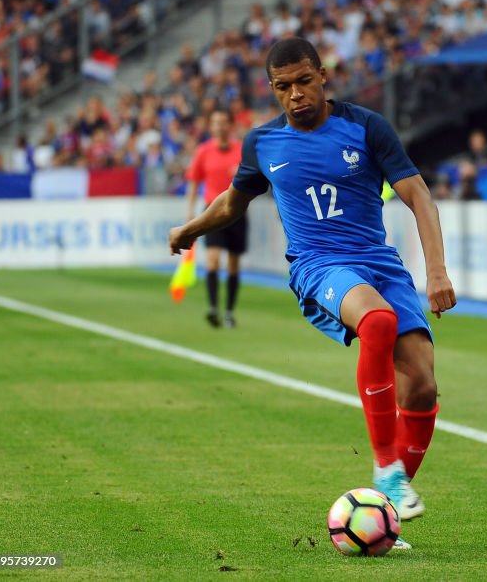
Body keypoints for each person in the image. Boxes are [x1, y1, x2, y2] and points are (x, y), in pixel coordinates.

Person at [169, 38, 456, 549]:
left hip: (379, 263)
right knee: (379, 322)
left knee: (424, 385)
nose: (296, 94)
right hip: (317, 265)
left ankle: (381, 516)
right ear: (273, 90)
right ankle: (387, 468)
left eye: (304, 81)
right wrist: (192, 228)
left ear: (323, 76)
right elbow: (234, 201)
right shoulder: (263, 143)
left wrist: (436, 271)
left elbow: (419, 196)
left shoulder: (366, 127)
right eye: (284, 87)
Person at [185, 109, 246, 328]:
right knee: (212, 259)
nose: (219, 126)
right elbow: (194, 181)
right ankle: (213, 307)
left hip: (237, 210)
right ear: (211, 127)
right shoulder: (203, 151)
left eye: (223, 122)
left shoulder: (240, 150)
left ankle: (229, 311)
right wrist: (191, 210)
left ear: (229, 125)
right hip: (212, 210)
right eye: (215, 122)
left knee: (233, 264)